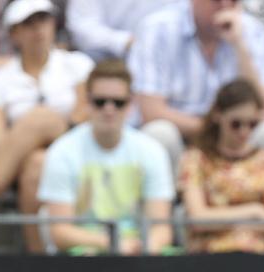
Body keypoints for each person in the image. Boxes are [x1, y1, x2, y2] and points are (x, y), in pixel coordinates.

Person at [128, 0, 264, 181]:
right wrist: (212, 129)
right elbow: (151, 112)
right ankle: (164, 206)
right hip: (182, 134)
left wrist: (239, 46)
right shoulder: (158, 28)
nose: (224, 6)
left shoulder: (252, 31)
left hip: (238, 134)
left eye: (233, 1)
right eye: (216, 1)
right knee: (159, 132)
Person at [38, 59, 174, 255]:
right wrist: (112, 243)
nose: (109, 109)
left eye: (118, 103)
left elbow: (161, 227)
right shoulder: (62, 152)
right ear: (87, 101)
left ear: (130, 104)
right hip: (83, 256)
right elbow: (60, 232)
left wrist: (145, 250)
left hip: (138, 254)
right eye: (100, 102)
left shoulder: (152, 151)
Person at [0, 0, 92, 251]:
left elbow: (83, 113)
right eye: (29, 23)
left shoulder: (76, 63)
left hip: (75, 142)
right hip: (24, 159)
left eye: (44, 20)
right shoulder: (1, 78)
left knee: (40, 119)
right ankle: (39, 260)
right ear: (14, 33)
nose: (39, 30)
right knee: (38, 164)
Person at [180, 79, 264, 253]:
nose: (244, 132)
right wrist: (254, 212)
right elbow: (197, 219)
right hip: (209, 259)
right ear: (218, 115)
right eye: (236, 124)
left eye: (252, 124)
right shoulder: (196, 159)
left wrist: (220, 221)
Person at [66, 0, 178, 61]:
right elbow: (82, 27)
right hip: (108, 53)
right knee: (84, 61)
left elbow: (182, 18)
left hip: (161, 50)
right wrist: (126, 41)